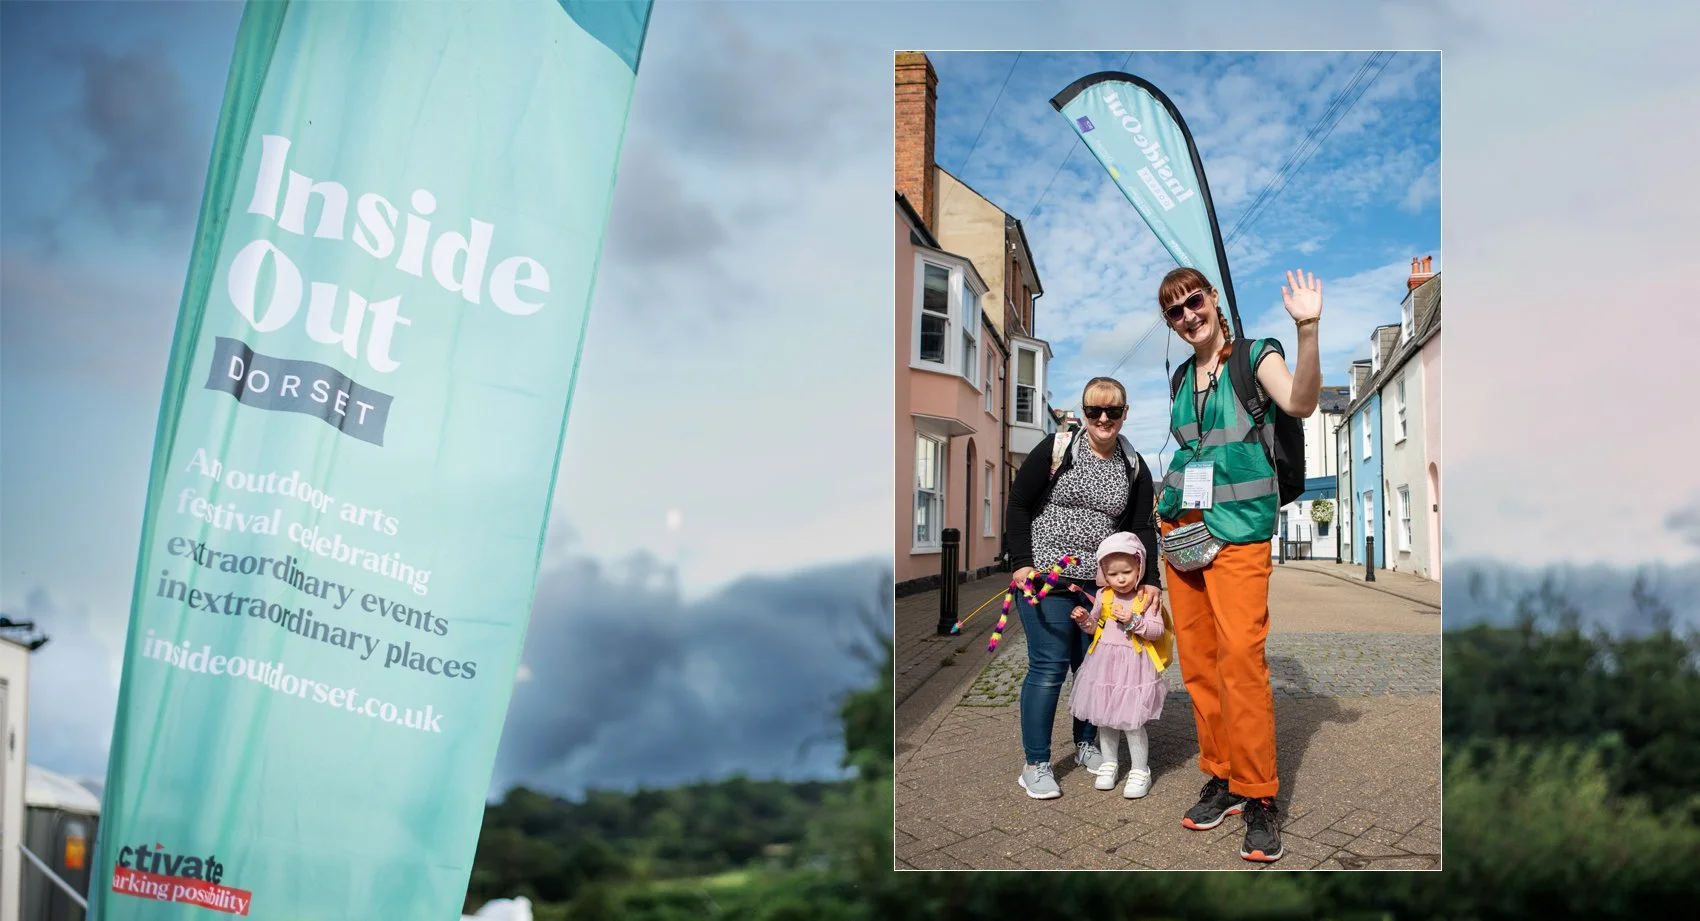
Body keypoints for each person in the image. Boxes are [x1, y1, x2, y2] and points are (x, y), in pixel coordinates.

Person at [1154, 267, 1323, 862]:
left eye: (1192, 301)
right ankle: (1223, 775)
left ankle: (1259, 795)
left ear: (1213, 300)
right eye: (1174, 311)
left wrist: (1307, 329)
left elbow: (1300, 402)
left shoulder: (1256, 356)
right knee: (1199, 666)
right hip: (1184, 534)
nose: (1187, 315)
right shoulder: (1180, 376)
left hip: (1240, 537)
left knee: (1242, 664)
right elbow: (1191, 448)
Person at [1005, 376, 1161, 799]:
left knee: (1091, 668)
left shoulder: (1133, 463)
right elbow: (1019, 504)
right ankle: (1035, 763)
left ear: (1125, 413)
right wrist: (1020, 563)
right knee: (1049, 667)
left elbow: (1141, 526)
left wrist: (1150, 580)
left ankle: (1087, 745)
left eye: (1113, 411)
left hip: (1100, 585)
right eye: (1095, 410)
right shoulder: (1059, 449)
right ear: (1084, 413)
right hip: (1044, 577)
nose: (1104, 418)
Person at [1066, 532, 1169, 798]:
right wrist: (1083, 620)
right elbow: (1094, 626)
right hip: (1104, 665)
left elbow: (1157, 631)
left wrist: (1134, 620)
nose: (1121, 579)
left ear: (1139, 569)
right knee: (1106, 719)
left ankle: (1139, 769)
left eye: (1127, 572)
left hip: (1133, 666)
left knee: (1132, 722)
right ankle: (1109, 764)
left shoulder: (1145, 597)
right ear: (1103, 574)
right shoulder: (1104, 595)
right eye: (1113, 574)